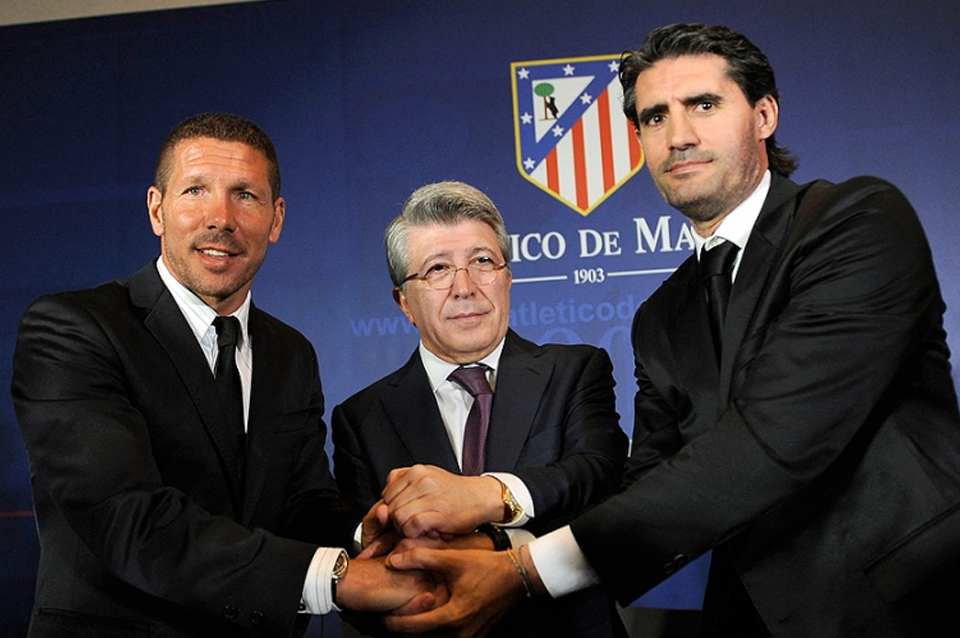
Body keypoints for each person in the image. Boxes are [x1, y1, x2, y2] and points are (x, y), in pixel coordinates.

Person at [381, 23, 960, 638]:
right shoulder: (660, 317)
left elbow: (775, 440)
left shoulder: (857, 222)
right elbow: (651, 485)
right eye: (655, 118)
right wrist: (489, 541)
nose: (679, 136)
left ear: (764, 115)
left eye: (703, 105)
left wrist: (522, 571)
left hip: (905, 610)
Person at [11, 112, 440, 638]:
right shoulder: (73, 329)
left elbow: (301, 503)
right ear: (157, 210)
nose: (220, 218)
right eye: (195, 190)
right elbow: (129, 519)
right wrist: (337, 577)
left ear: (276, 219)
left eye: (245, 195)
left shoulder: (291, 353)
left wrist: (362, 534)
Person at [331, 181, 629, 637]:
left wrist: (489, 499)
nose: (465, 288)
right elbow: (368, 565)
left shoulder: (574, 370)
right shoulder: (361, 418)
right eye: (437, 269)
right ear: (404, 302)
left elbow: (600, 481)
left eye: (483, 262)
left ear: (508, 278)